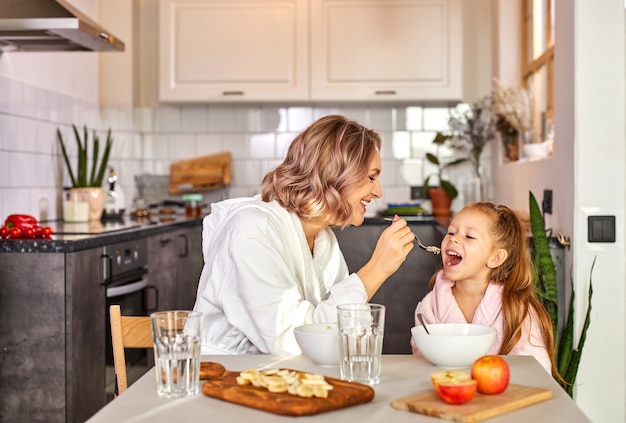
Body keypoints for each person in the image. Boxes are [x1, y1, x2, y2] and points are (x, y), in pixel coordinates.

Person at [194, 114, 415, 355]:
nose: (378, 191)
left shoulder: (324, 242)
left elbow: (338, 328)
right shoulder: (252, 230)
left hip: (277, 377)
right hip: (221, 379)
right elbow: (292, 340)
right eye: (371, 177)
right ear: (335, 172)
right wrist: (377, 269)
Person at [411, 202, 558, 375]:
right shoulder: (429, 307)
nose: (454, 238)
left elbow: (535, 372)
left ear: (496, 258)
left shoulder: (517, 311)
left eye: (469, 236)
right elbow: (422, 365)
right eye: (451, 232)